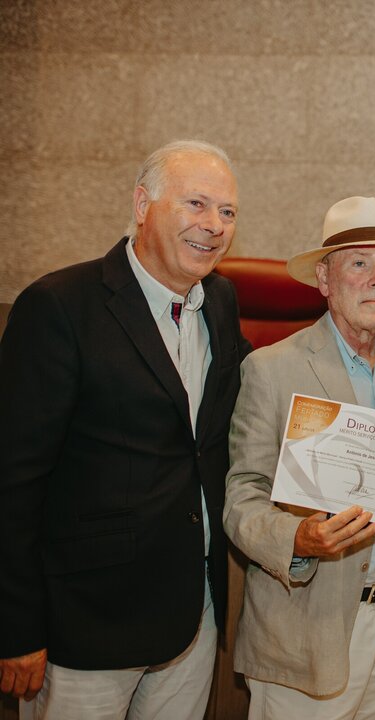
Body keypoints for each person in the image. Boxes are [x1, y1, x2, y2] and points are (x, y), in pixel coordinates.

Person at [0, 140, 246, 718]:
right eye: (195, 204)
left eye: (227, 211)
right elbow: (12, 480)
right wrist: (15, 626)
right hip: (86, 625)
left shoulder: (220, 300)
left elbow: (247, 394)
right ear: (142, 204)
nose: (213, 226)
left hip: (193, 614)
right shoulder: (59, 307)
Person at [223, 196, 375, 719]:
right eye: (359, 263)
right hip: (306, 625)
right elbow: (242, 497)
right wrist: (297, 539)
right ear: (324, 278)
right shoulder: (271, 368)